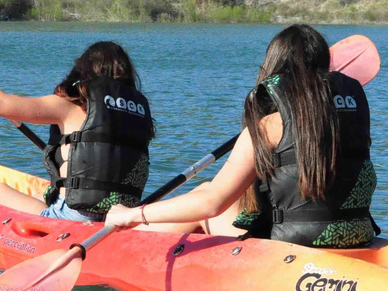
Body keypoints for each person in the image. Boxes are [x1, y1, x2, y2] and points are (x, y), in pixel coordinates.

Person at [106, 24, 379, 249]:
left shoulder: (268, 126)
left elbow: (212, 203)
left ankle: (125, 237)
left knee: (206, 195)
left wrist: (133, 212)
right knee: (208, 191)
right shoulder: (354, 120)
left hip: (296, 245)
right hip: (357, 235)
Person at [0, 41, 155, 221]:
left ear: (84, 70)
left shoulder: (74, 104)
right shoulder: (137, 112)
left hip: (72, 218)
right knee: (40, 195)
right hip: (118, 216)